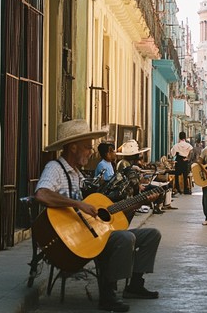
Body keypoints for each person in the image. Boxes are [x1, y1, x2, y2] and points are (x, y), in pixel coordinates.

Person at [35, 120, 162, 312]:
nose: (91, 152)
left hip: (88, 232)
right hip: (71, 239)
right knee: (125, 237)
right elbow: (41, 194)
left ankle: (135, 285)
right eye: (87, 147)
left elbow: (97, 212)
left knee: (152, 234)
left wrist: (139, 202)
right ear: (73, 147)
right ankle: (108, 295)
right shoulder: (55, 168)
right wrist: (77, 203)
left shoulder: (77, 174)